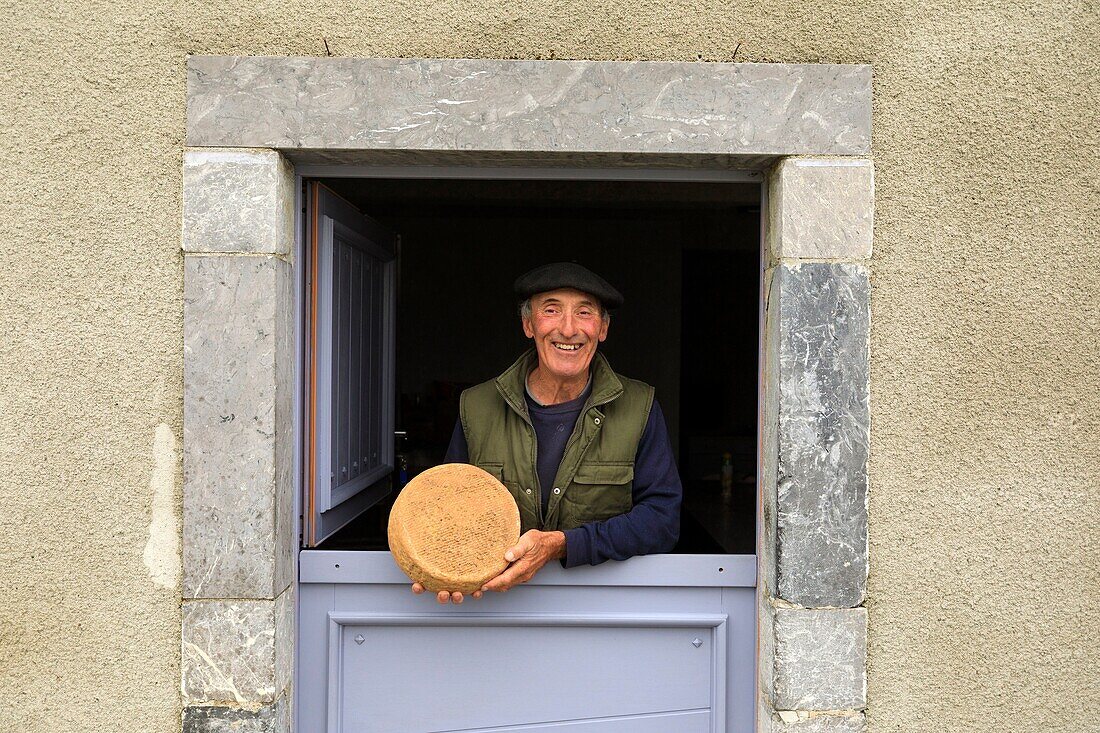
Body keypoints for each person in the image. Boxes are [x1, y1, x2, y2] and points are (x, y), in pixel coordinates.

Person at [411, 262, 682, 604]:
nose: (568, 330)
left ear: (602, 328)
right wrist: (437, 565)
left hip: (603, 608)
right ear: (529, 324)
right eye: (551, 310)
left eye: (584, 313)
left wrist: (562, 545)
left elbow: (662, 520)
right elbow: (448, 509)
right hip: (496, 610)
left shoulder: (639, 406)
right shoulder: (476, 407)